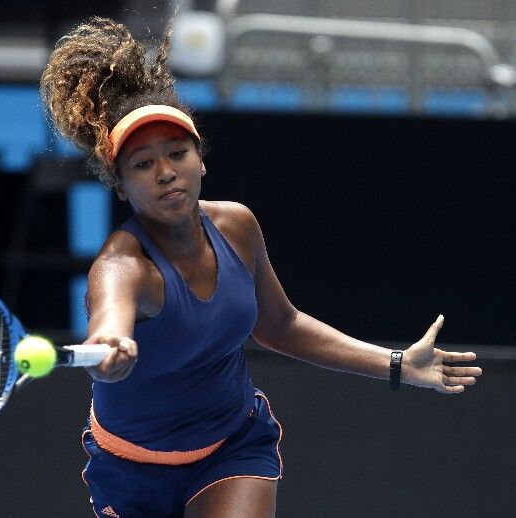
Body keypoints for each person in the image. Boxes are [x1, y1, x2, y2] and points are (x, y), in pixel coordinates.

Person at [40, 17, 482, 518]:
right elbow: (109, 323)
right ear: (121, 186)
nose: (165, 173)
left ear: (200, 159)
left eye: (177, 154)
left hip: (233, 447)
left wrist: (395, 363)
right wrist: (110, 350)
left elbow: (279, 324)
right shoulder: (122, 267)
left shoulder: (237, 226)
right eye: (142, 165)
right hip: (132, 471)